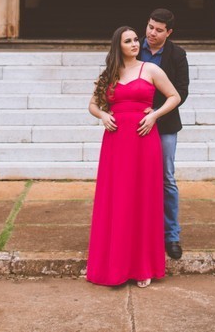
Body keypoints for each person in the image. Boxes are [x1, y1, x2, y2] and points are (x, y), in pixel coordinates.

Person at [86, 26, 181, 287]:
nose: (134, 44)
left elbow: (174, 96)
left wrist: (154, 115)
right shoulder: (109, 74)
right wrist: (103, 115)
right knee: (118, 199)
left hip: (143, 140)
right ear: (118, 45)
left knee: (143, 199)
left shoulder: (150, 69)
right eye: (128, 41)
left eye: (135, 40)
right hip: (116, 143)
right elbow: (93, 104)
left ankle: (144, 267)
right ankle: (114, 265)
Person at [139, 8, 189, 260]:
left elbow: (182, 91)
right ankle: (139, 233)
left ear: (169, 32)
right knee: (136, 179)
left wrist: (156, 112)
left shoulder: (177, 54)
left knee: (166, 179)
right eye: (150, 27)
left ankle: (171, 235)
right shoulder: (134, 46)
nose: (152, 33)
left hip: (165, 125)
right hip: (134, 125)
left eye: (159, 30)